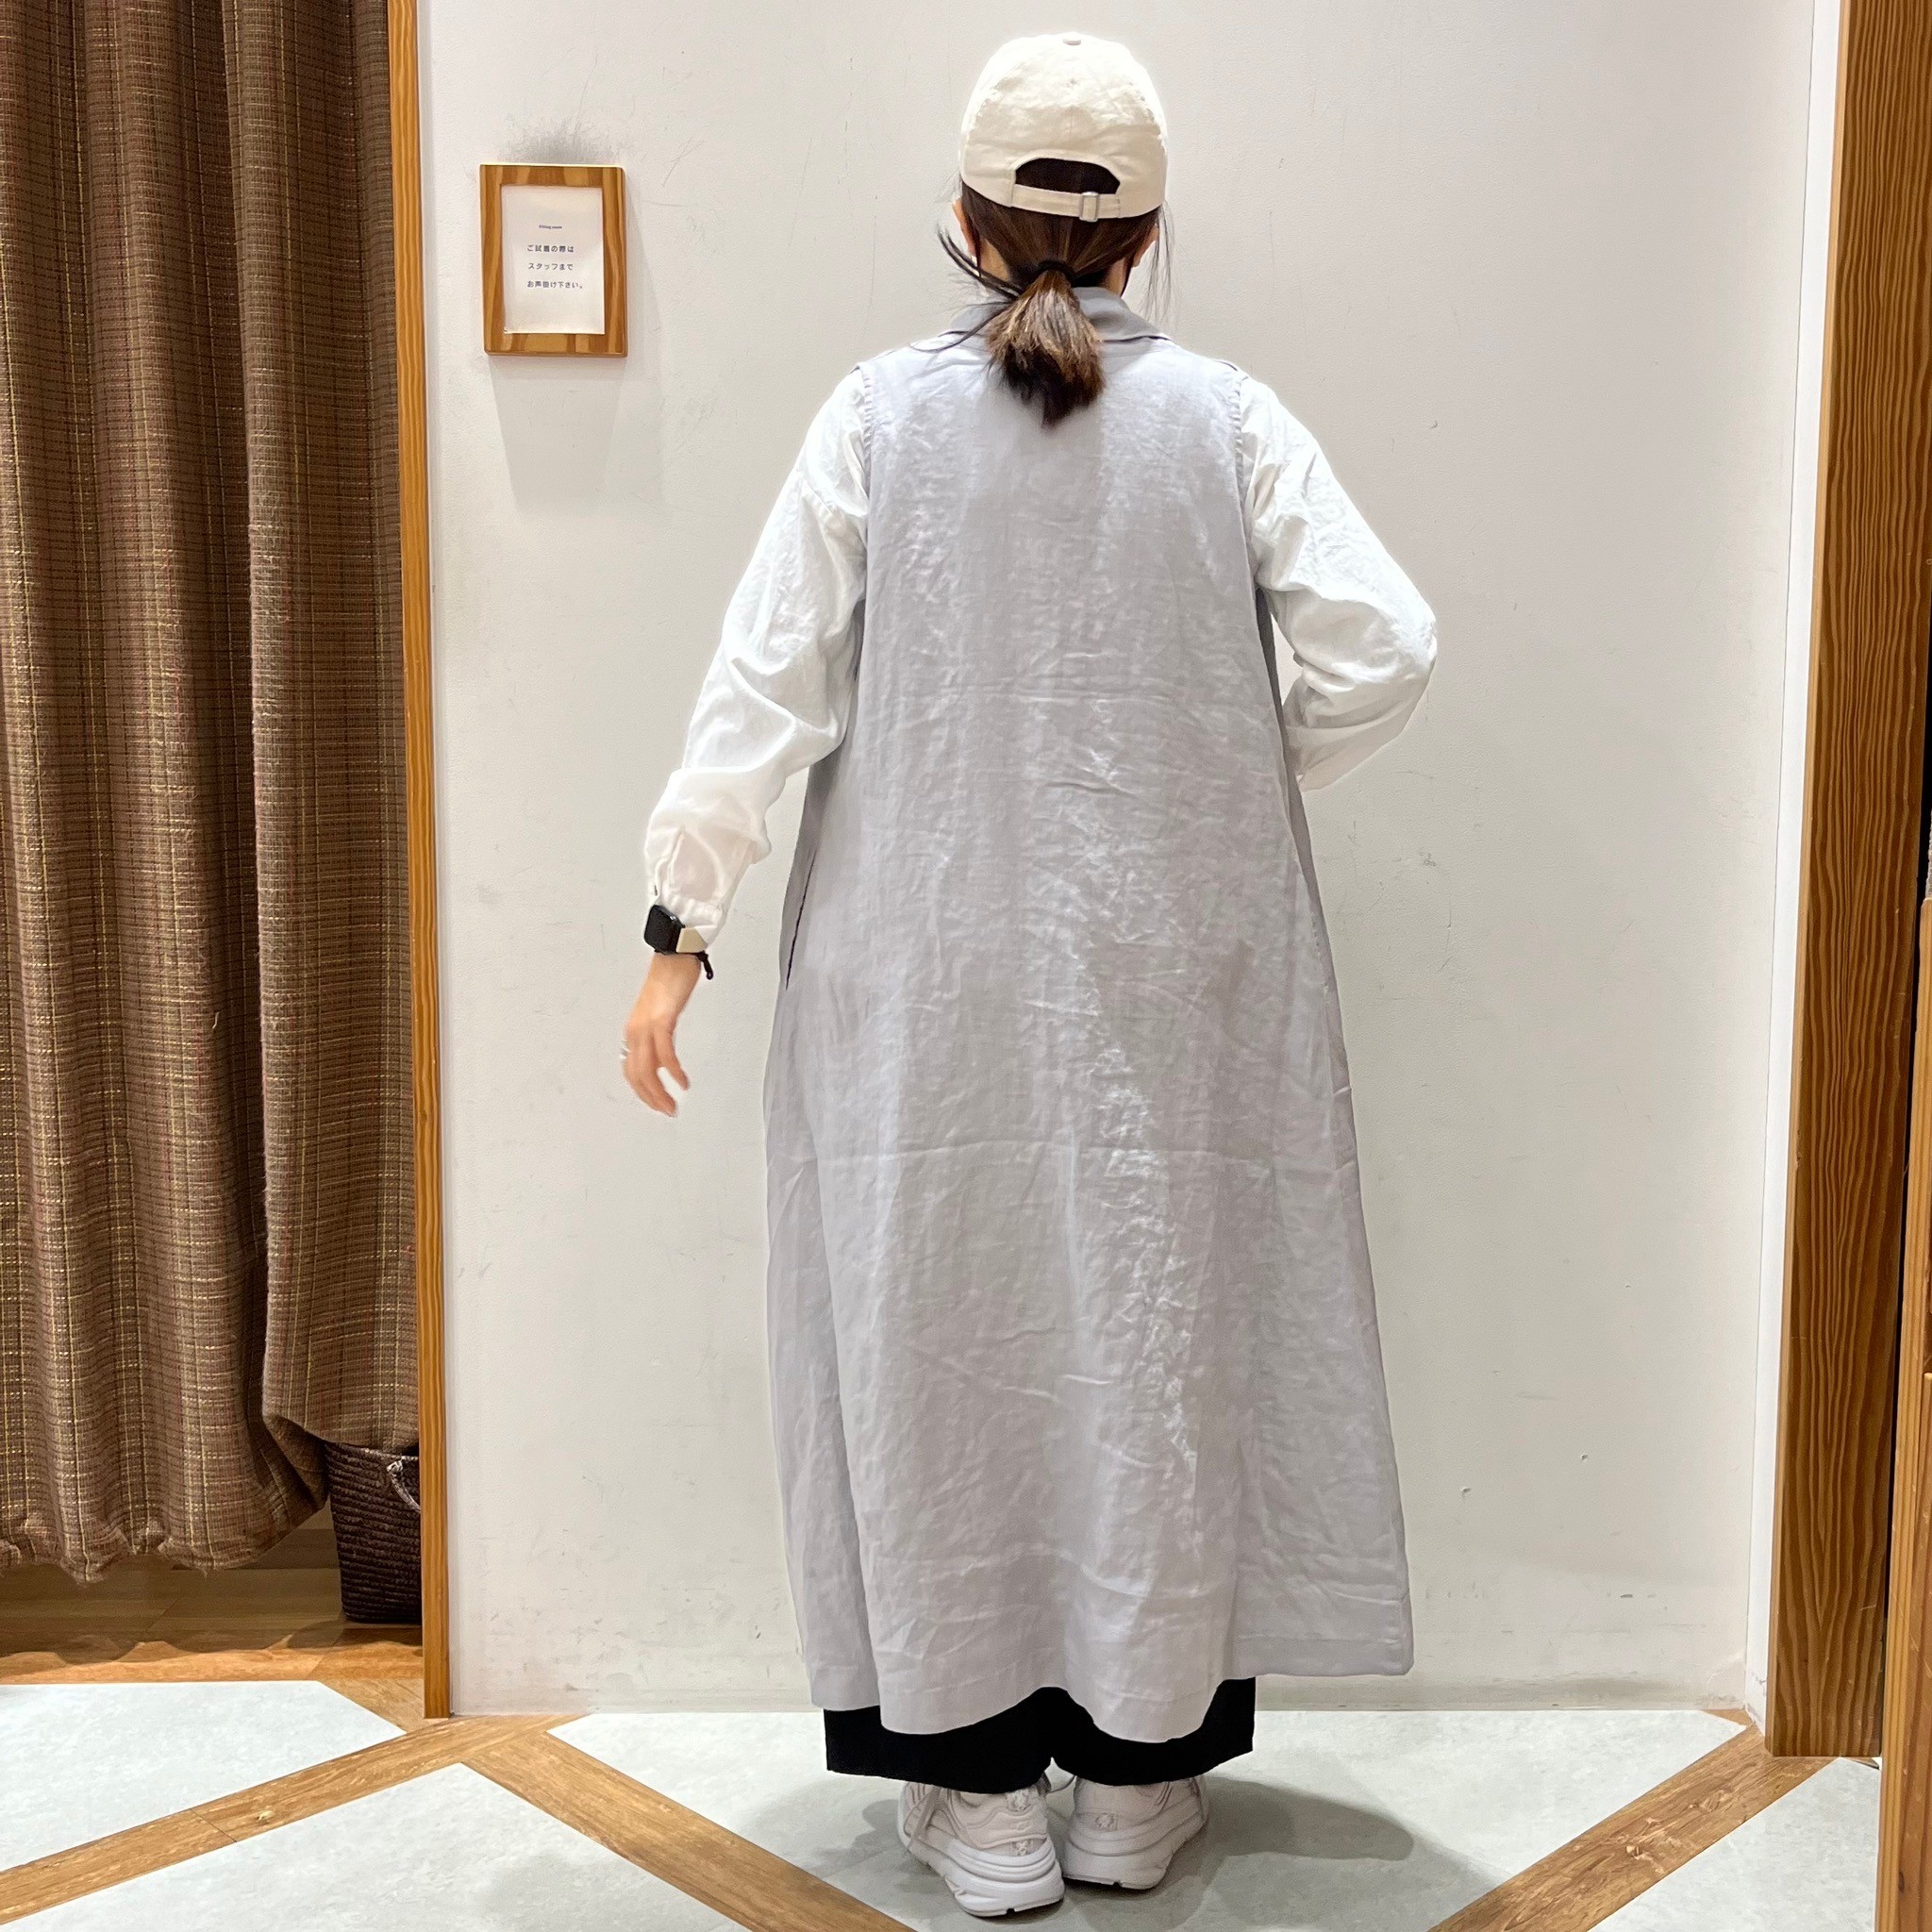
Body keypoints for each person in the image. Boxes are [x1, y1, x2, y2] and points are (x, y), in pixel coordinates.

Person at [625, 32, 1437, 1917]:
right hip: (1172, 990)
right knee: (1154, 1337)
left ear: (967, 223)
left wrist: (679, 930)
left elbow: (761, 692)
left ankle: (980, 1797)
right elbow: (1384, 645)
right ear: (1145, 236)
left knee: (935, 1339)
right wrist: (1235, 770)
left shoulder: (874, 422)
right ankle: (1137, 1785)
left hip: (917, 993)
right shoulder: (1226, 421)